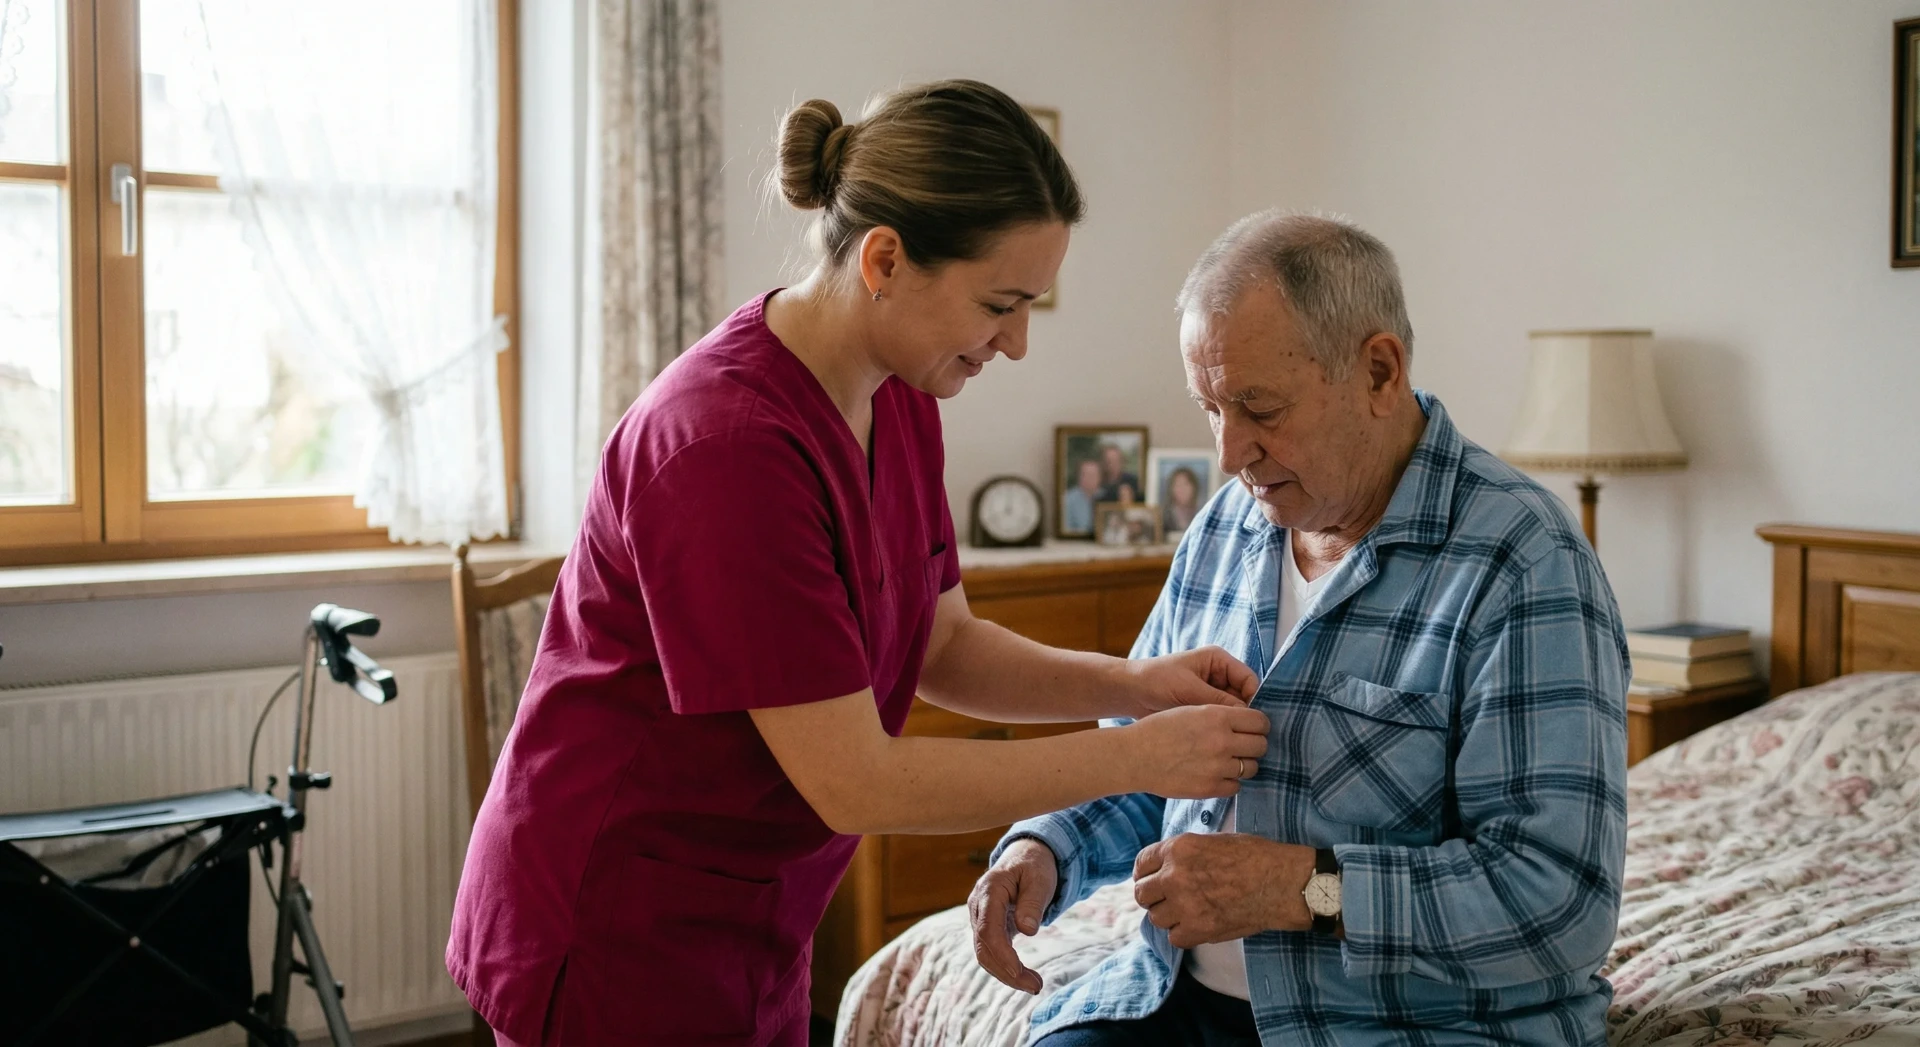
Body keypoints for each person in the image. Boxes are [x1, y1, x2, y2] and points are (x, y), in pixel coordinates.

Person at [446, 80, 1272, 1047]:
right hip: (618, 910)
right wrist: (1136, 753)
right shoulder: (724, 446)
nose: (1015, 341)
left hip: (749, 904)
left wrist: (1136, 683)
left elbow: (944, 641)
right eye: (1000, 303)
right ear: (885, 258)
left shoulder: (900, 394)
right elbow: (856, 781)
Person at [968, 212, 1629, 1046]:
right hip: (1173, 996)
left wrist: (1299, 888)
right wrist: (1046, 850)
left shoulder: (1524, 561)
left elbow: (1561, 899)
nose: (1229, 451)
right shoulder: (1226, 526)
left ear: (1380, 372)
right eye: (1210, 407)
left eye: (1259, 407)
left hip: (1405, 1026)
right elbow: (1145, 763)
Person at [1063, 457, 1105, 535]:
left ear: (1100, 478)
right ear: (1079, 477)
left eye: (1093, 475)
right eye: (1086, 475)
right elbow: (1066, 531)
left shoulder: (1107, 496)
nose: (1090, 478)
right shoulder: (1067, 499)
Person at [1160, 466, 1204, 535]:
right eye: (1177, 485)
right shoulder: (1164, 516)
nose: (1182, 490)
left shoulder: (1203, 513)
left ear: (1194, 487)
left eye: (1185, 484)